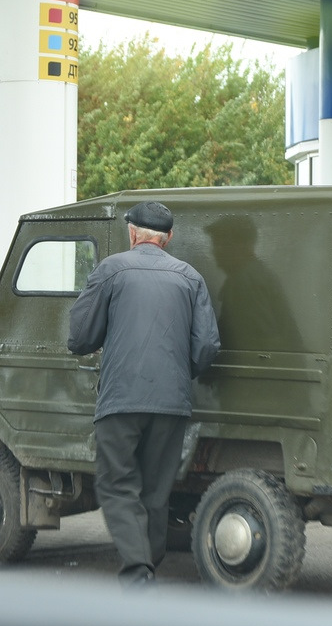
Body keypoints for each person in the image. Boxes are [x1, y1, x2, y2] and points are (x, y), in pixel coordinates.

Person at [67, 200, 221, 587]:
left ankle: (137, 573)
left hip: (120, 399)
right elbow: (206, 347)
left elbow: (80, 337)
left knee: (117, 484)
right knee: (155, 490)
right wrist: (178, 375)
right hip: (172, 403)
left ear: (132, 233)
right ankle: (148, 564)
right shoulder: (191, 277)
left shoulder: (111, 270)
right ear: (168, 238)